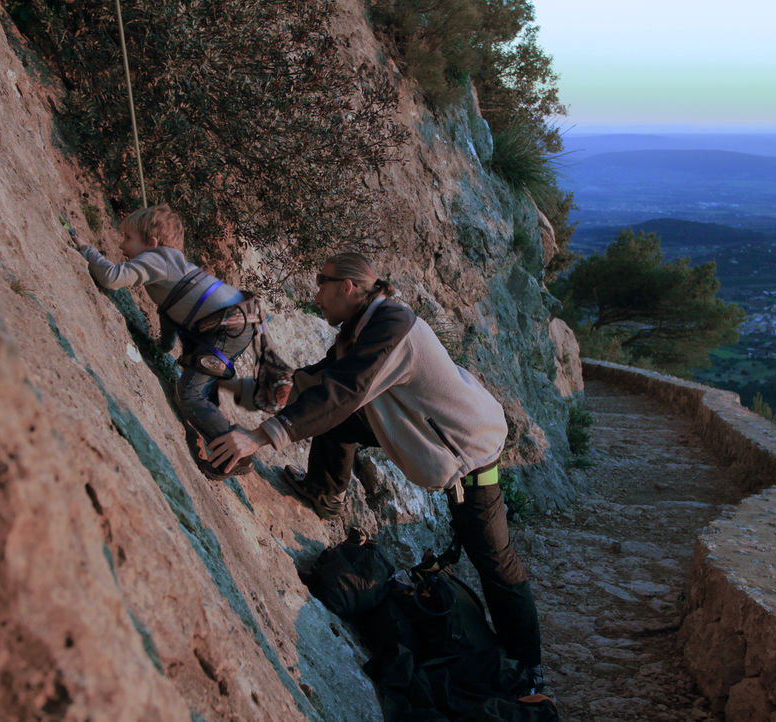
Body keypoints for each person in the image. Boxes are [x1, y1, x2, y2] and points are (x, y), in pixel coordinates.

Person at [206, 251, 544, 692]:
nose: (316, 293)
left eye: (322, 282)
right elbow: (329, 376)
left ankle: (527, 664)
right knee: (338, 419)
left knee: (495, 561)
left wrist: (260, 436)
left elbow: (343, 391)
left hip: (468, 451)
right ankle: (326, 492)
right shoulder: (364, 325)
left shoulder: (391, 327)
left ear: (348, 286)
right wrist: (284, 384)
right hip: (435, 431)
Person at [72, 203, 256, 477]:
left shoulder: (157, 258)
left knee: (189, 394)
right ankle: (221, 430)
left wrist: (87, 250)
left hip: (225, 327)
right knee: (194, 382)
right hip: (233, 322)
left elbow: (112, 279)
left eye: (128, 238)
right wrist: (163, 346)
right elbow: (170, 312)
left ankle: (234, 454)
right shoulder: (172, 265)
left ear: (153, 243)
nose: (122, 245)